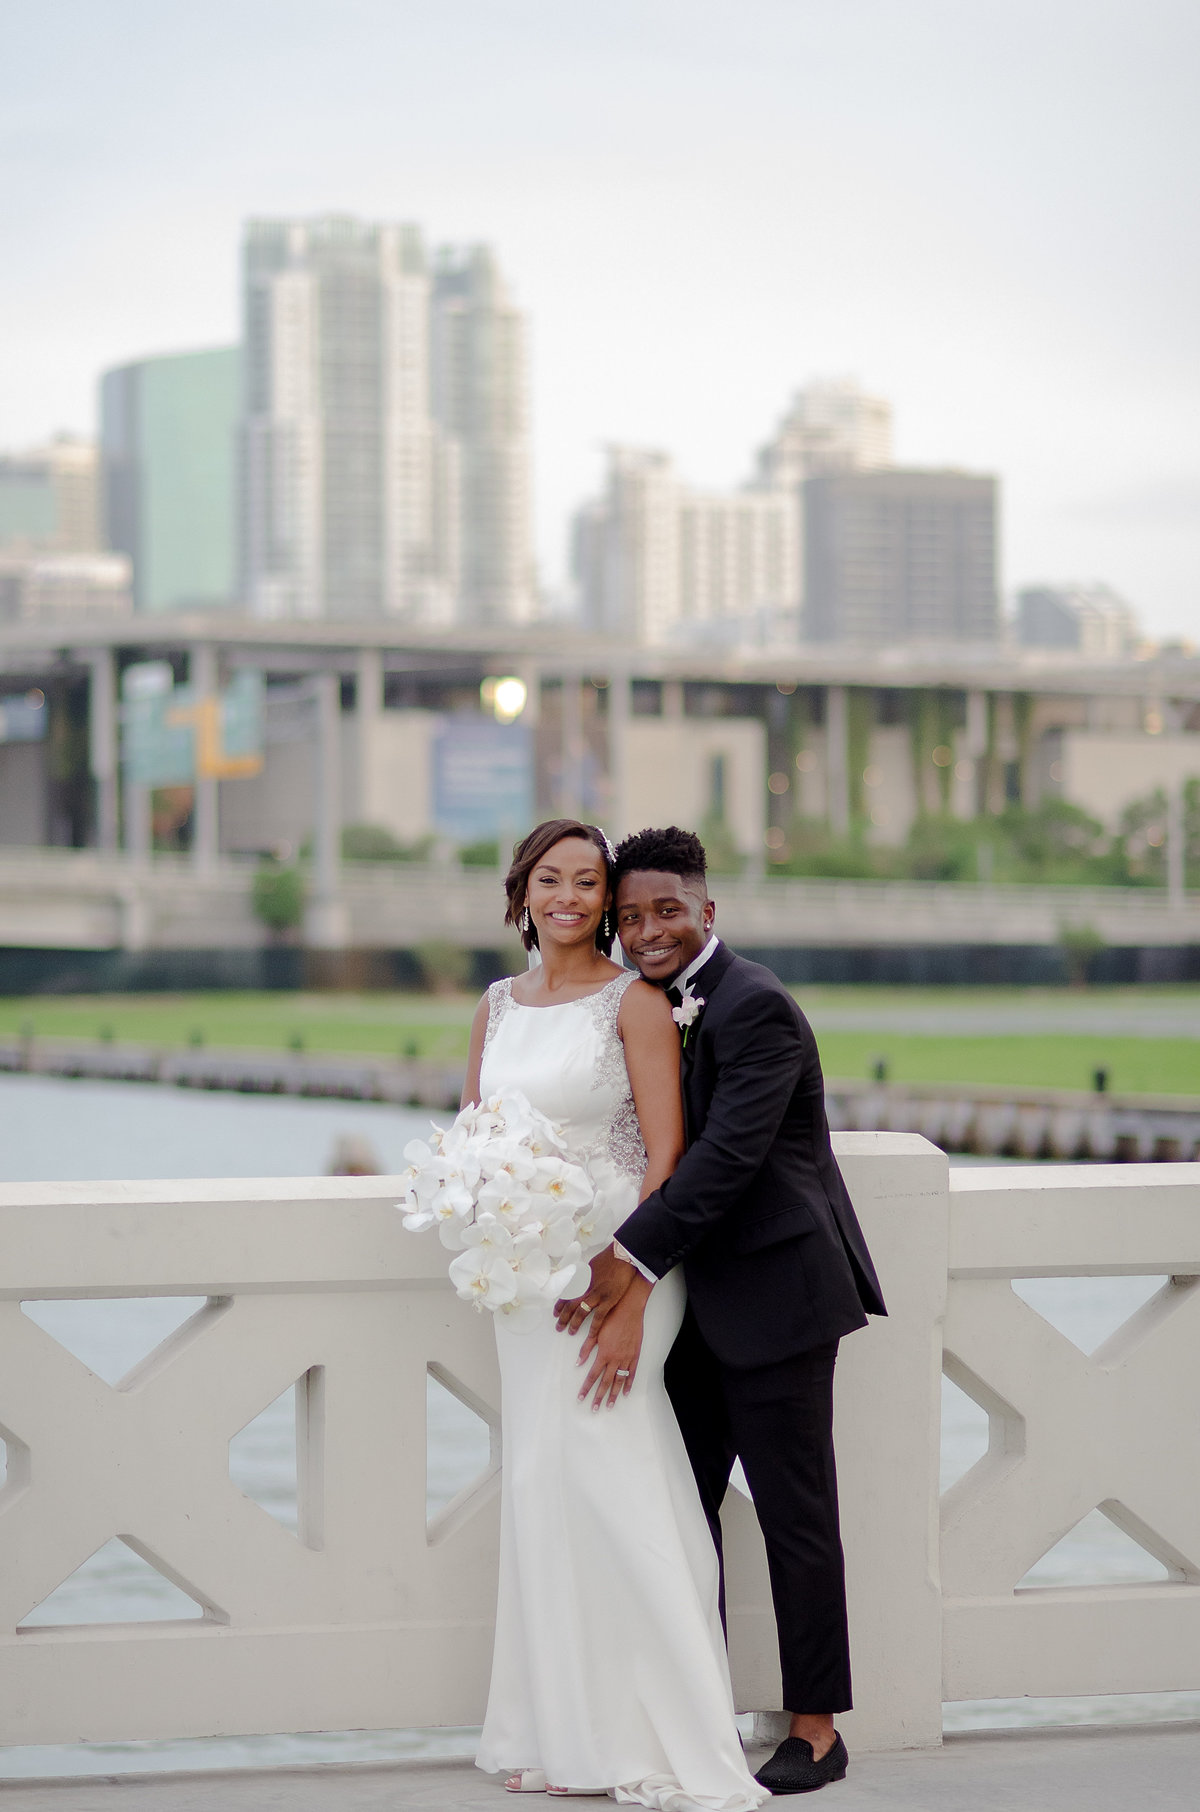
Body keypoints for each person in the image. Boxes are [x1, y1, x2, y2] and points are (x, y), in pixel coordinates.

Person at [557, 827, 885, 1798]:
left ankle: (817, 1729)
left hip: (780, 1296)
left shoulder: (757, 1006)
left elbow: (728, 1161)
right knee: (680, 1514)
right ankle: (691, 1713)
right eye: (630, 918)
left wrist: (623, 1261)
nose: (648, 931)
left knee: (795, 1519)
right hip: (694, 1307)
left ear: (708, 912)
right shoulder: (642, 1005)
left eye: (666, 912)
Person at [462, 818, 768, 1810]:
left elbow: (664, 1159)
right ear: (522, 891)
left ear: (603, 901)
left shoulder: (632, 1004)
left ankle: (669, 1734)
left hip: (619, 1273)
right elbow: (478, 1140)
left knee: (616, 1478)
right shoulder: (496, 1007)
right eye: (551, 879)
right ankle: (564, 1731)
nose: (569, 898)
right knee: (543, 1490)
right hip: (523, 1282)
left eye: (587, 884)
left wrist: (631, 1292)